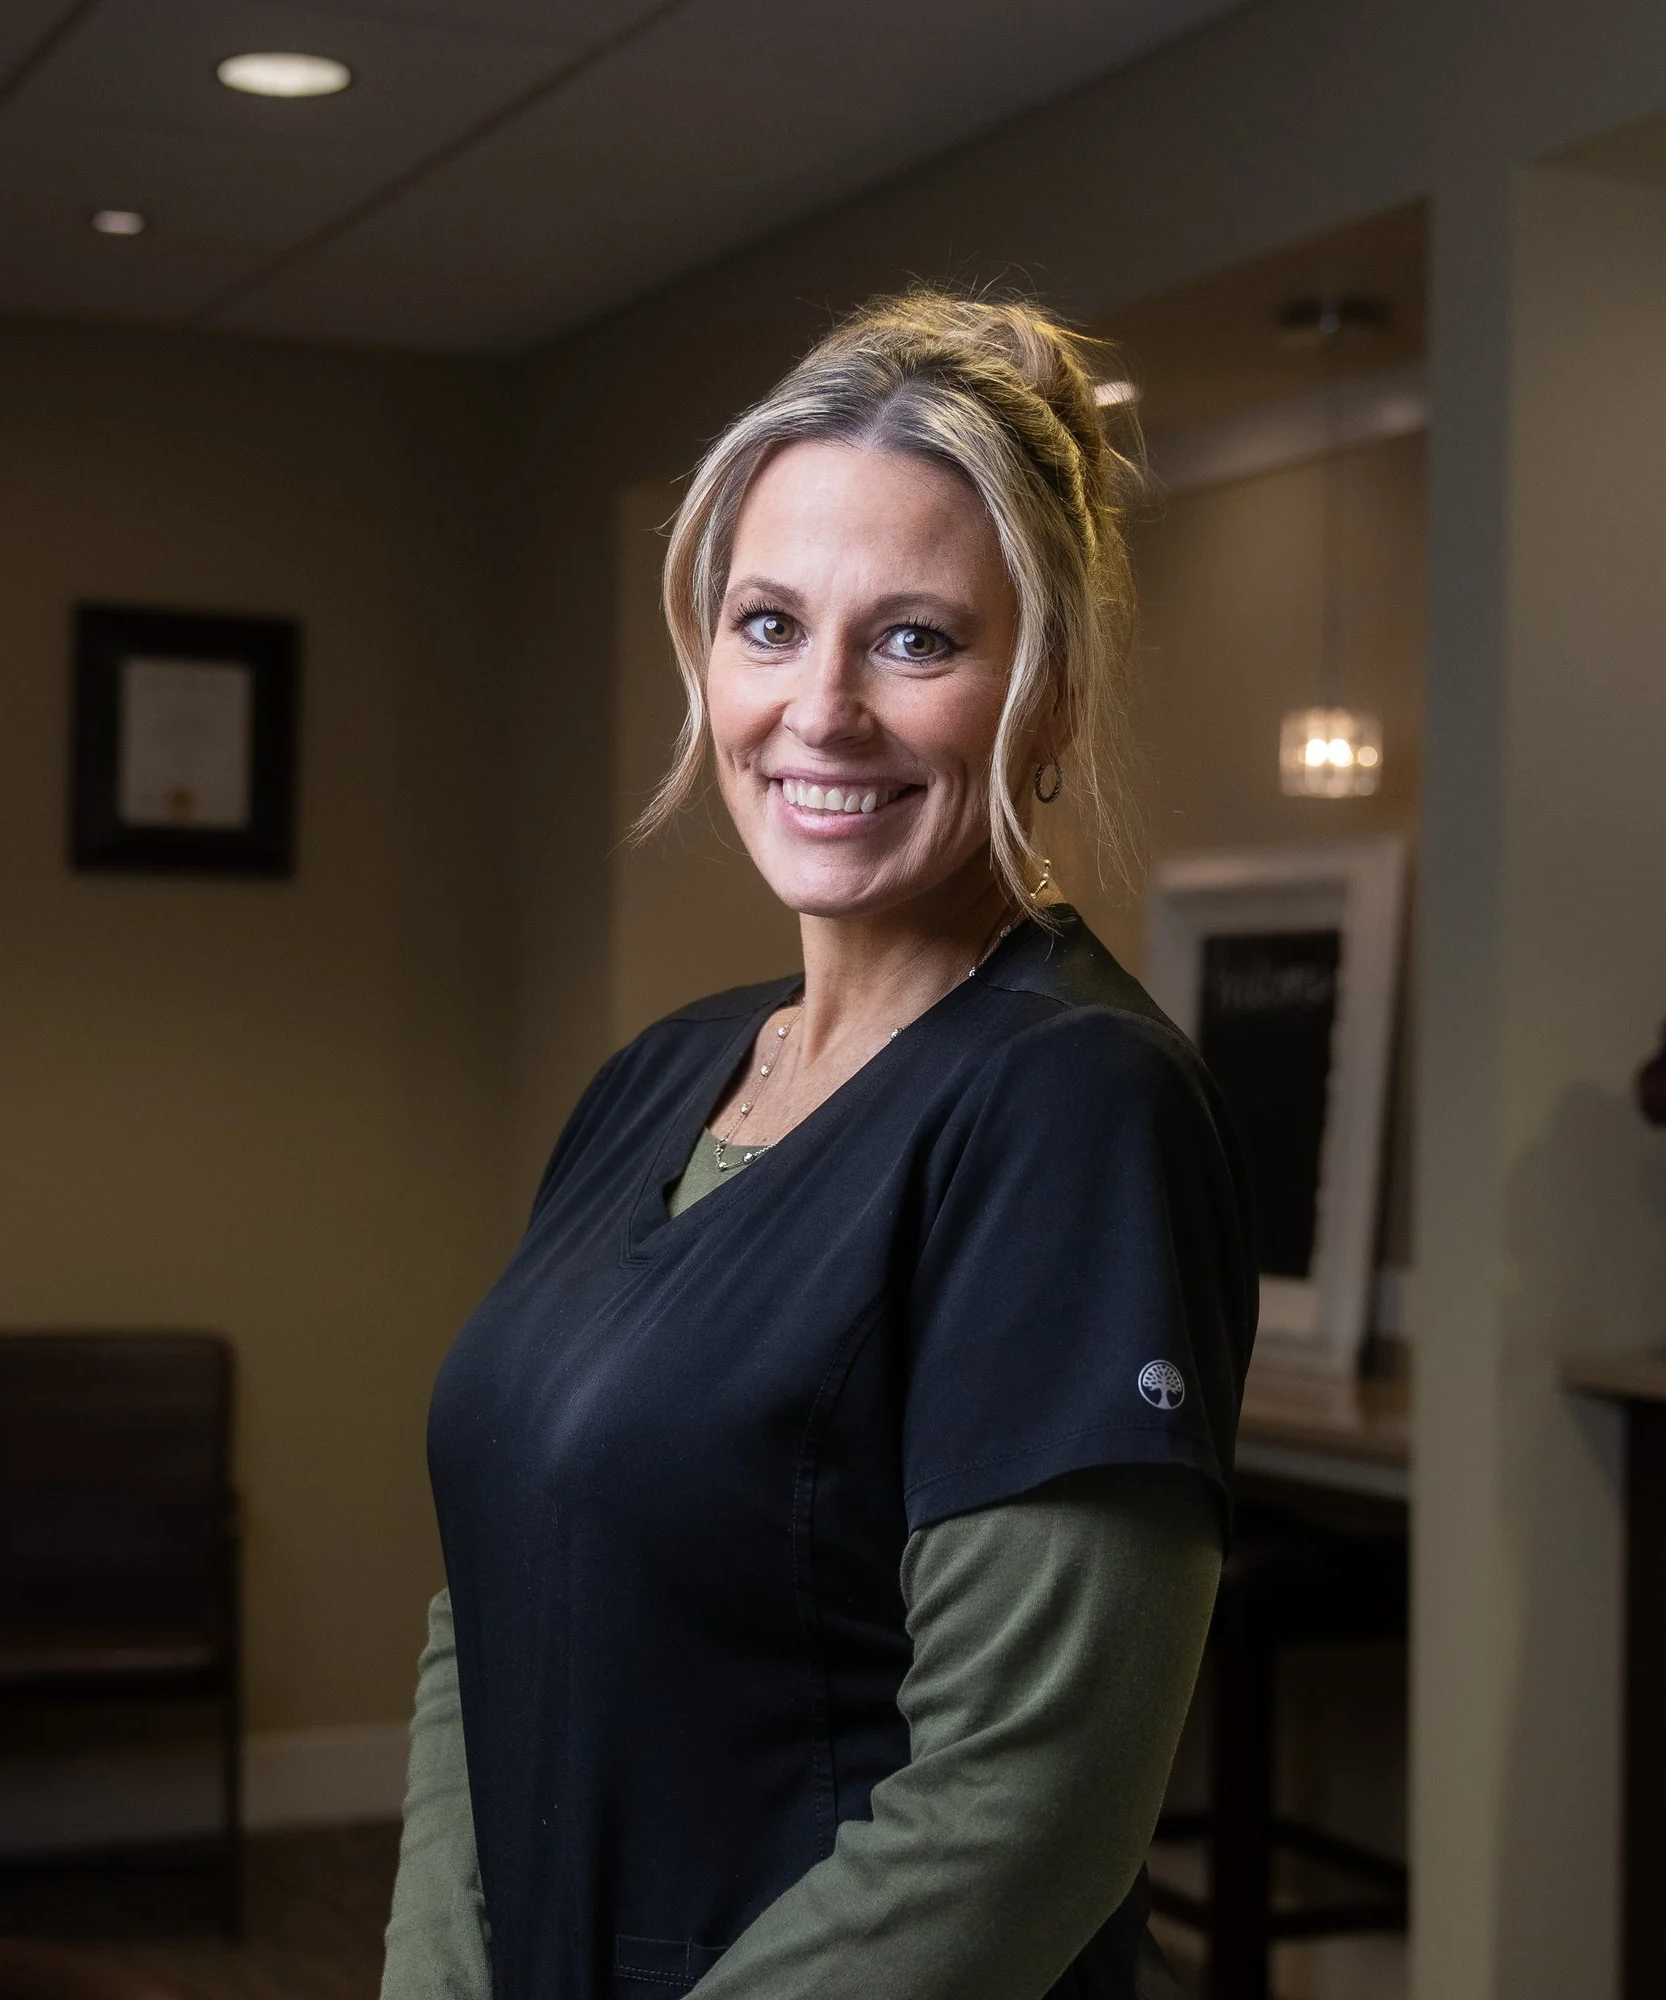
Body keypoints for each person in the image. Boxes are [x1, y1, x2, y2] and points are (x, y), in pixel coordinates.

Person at [384, 289, 1255, 2000]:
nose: (824, 709)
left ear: (1052, 695)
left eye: (917, 640)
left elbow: (1024, 1809)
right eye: (769, 624)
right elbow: (480, 1613)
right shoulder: (658, 1078)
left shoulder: (1071, 1108)